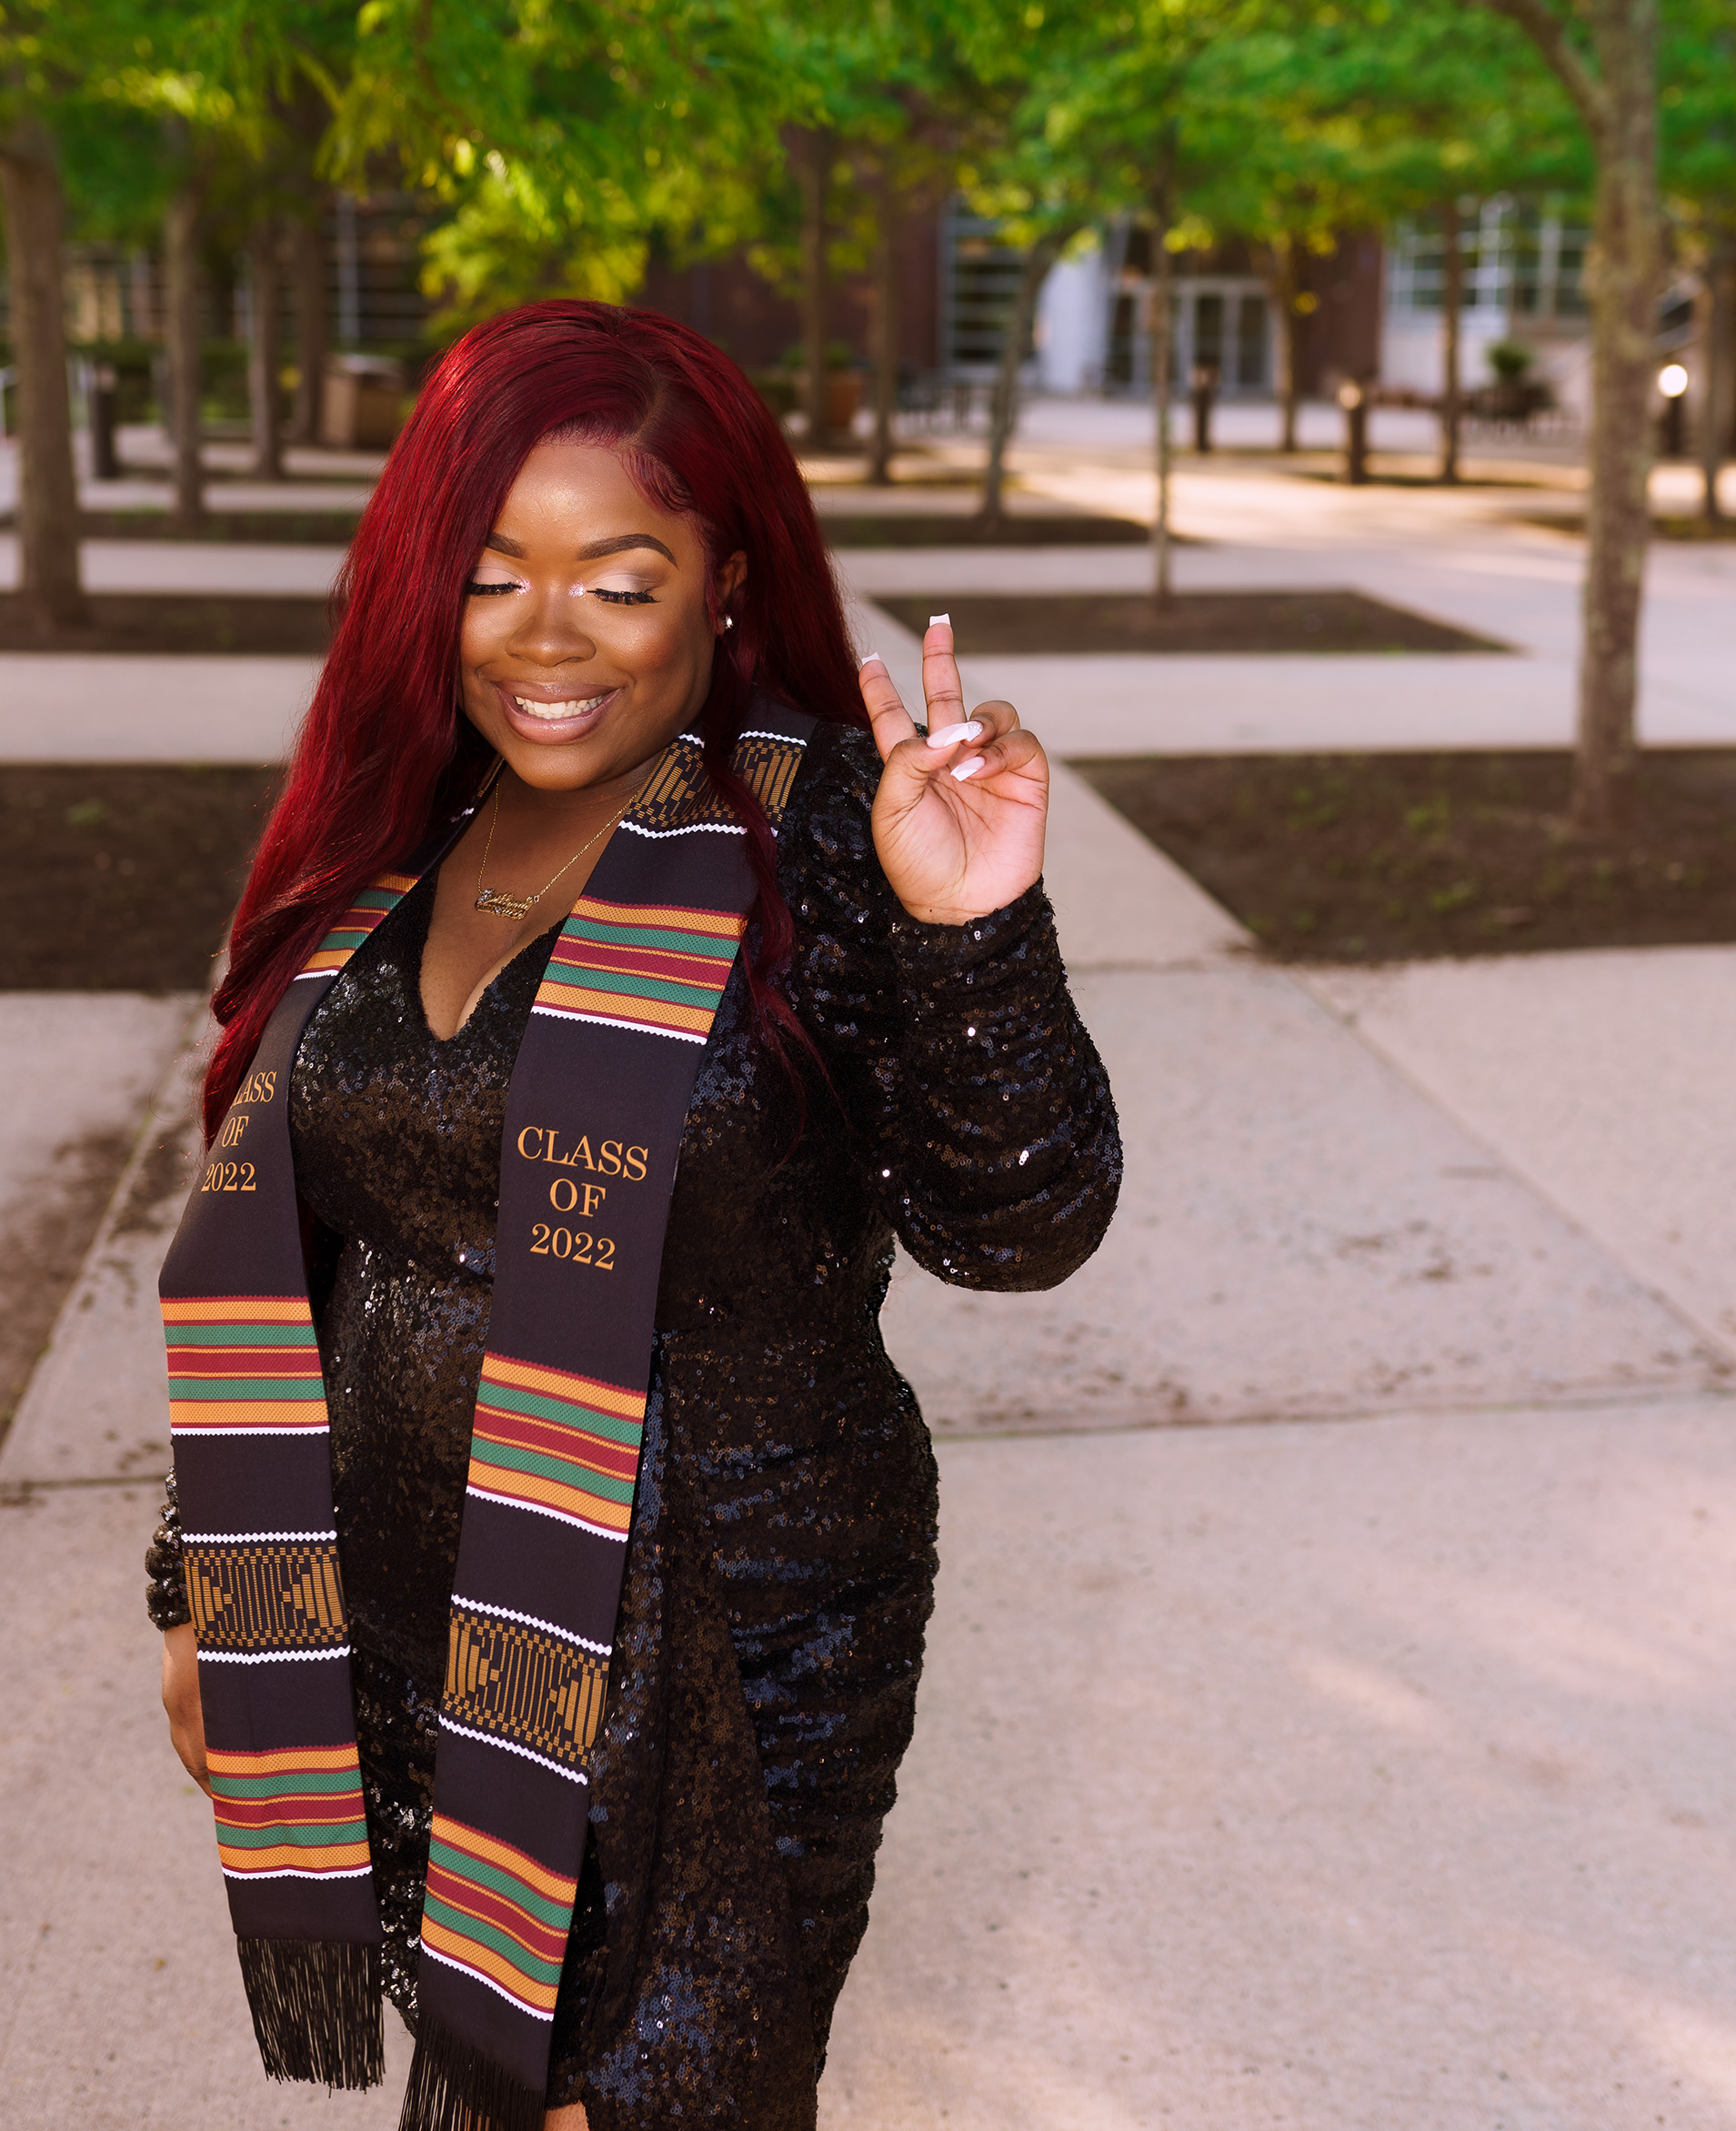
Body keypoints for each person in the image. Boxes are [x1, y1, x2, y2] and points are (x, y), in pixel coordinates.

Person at [144, 298, 1121, 2131]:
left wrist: (973, 925)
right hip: (420, 1628)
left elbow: (1022, 1226)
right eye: (489, 575)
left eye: (618, 578)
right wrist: (209, 1585)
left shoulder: (822, 834)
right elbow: (296, 1254)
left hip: (722, 1669)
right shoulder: (407, 835)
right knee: (480, 2085)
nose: (545, 636)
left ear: (725, 582)